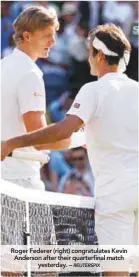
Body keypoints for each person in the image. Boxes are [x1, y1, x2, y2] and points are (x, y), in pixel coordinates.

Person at [1, 23, 138, 276]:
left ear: (98, 55)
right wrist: (83, 139)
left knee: (116, 273)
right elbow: (90, 135)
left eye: (89, 52)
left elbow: (61, 131)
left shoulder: (92, 89)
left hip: (115, 197)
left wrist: (11, 143)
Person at [1, 5, 82, 190]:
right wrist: (81, 139)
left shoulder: (3, 65)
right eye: (47, 36)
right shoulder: (30, 73)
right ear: (27, 36)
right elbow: (39, 139)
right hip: (19, 182)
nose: (53, 42)